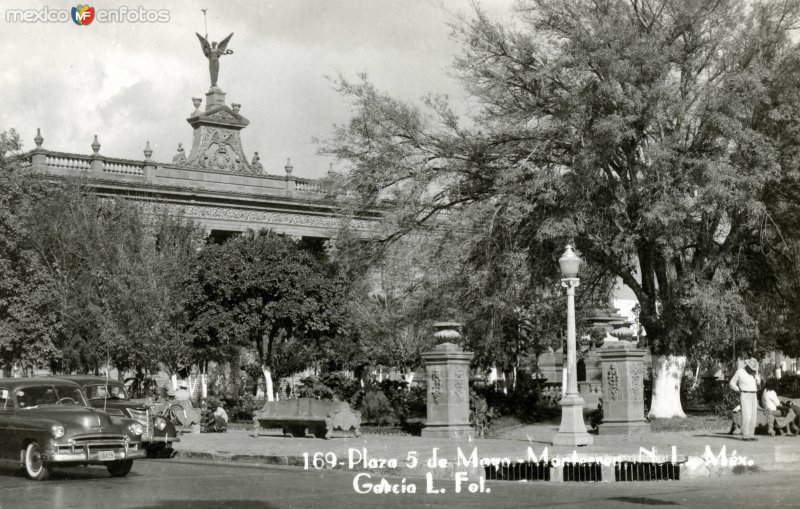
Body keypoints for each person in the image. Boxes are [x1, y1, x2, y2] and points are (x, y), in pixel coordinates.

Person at [729, 358, 761, 441]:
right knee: (746, 415)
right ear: (748, 366)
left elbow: (758, 383)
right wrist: (739, 389)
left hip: (754, 394)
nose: (752, 369)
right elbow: (732, 383)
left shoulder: (754, 373)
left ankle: (751, 435)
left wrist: (756, 375)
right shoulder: (740, 372)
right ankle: (745, 435)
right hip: (745, 394)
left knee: (754, 416)